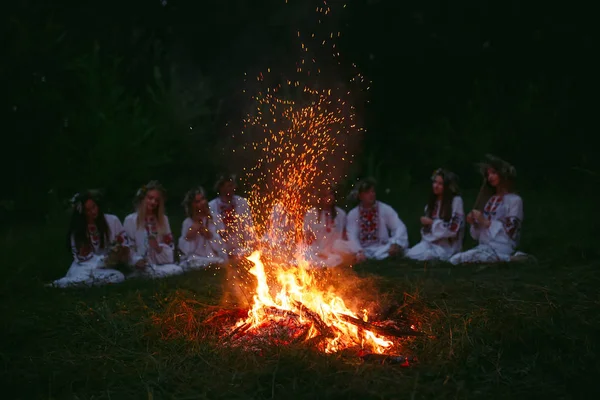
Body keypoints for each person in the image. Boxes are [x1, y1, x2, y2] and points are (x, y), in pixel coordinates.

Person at [449, 155, 528, 265]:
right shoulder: (491, 199)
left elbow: (512, 232)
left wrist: (486, 222)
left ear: (502, 174)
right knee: (456, 259)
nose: (490, 177)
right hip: (485, 246)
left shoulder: (515, 200)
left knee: (466, 258)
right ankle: (509, 259)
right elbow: (477, 235)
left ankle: (510, 258)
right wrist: (475, 223)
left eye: (494, 173)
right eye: (488, 174)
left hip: (503, 245)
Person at [50, 190, 128, 288]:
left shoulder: (112, 221)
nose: (93, 212)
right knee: (80, 278)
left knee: (118, 277)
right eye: (88, 210)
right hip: (85, 268)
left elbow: (124, 242)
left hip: (105, 270)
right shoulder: (78, 230)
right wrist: (105, 260)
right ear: (82, 212)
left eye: (94, 207)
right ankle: (62, 284)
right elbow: (82, 258)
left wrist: (119, 252)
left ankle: (87, 284)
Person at [123, 181, 183, 277]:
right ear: (142, 198)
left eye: (157, 200)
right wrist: (137, 260)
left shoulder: (163, 219)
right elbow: (128, 246)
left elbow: (170, 245)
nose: (153, 202)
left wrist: (158, 248)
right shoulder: (130, 220)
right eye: (150, 198)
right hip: (141, 266)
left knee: (177, 270)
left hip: (160, 264)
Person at [342, 178, 409, 262]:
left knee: (394, 247)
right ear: (360, 196)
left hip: (381, 248)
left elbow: (399, 226)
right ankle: (360, 256)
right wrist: (358, 251)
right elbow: (351, 235)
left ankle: (387, 254)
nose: (371, 194)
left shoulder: (384, 208)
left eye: (373, 191)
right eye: (367, 192)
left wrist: (395, 243)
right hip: (362, 249)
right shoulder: (353, 213)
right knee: (338, 245)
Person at [406, 168, 464, 261]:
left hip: (448, 248)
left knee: (427, 256)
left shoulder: (456, 201)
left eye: (440, 184)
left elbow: (453, 230)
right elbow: (426, 232)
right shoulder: (432, 204)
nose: (436, 186)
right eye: (435, 182)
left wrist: (432, 223)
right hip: (430, 244)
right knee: (409, 254)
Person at [208, 175, 256, 260]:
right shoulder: (212, 206)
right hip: (220, 248)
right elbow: (211, 230)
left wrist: (252, 243)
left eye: (233, 185)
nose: (233, 188)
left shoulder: (242, 202)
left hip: (238, 246)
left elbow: (248, 225)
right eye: (229, 186)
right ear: (221, 188)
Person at [179, 186, 227, 269]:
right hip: (196, 258)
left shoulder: (215, 218)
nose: (201, 203)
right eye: (197, 201)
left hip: (214, 257)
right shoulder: (187, 222)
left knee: (220, 261)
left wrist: (210, 236)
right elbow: (186, 251)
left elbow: (222, 246)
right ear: (192, 205)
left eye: (203, 199)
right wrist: (189, 236)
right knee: (190, 262)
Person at [302, 186, 347, 267]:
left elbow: (343, 238)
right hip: (316, 251)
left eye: (331, 194)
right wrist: (320, 252)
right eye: (326, 195)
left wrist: (330, 252)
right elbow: (307, 238)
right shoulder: (311, 214)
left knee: (338, 256)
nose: (329, 197)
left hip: (334, 252)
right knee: (306, 253)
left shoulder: (341, 214)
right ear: (320, 197)